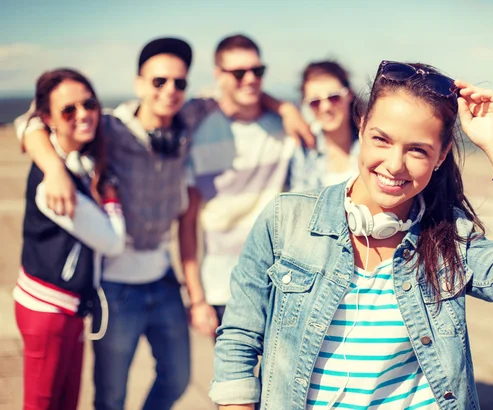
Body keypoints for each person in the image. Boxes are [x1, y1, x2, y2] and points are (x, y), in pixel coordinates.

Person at [208, 60, 493, 410]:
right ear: (361, 127)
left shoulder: (448, 236)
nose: (394, 165)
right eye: (381, 139)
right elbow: (239, 339)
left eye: (417, 150)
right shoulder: (285, 218)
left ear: (441, 156)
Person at [15, 37, 311, 410]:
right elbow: (29, 121)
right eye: (159, 81)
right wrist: (53, 167)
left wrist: (284, 107)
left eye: (179, 82)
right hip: (115, 286)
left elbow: (239, 94)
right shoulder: (110, 128)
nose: (170, 90)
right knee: (110, 396)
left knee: (177, 377)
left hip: (164, 279)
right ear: (139, 83)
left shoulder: (189, 118)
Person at [179, 34, 312, 336]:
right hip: (222, 289)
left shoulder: (285, 125)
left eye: (257, 70)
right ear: (218, 75)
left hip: (282, 283)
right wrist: (197, 299)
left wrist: (286, 109)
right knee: (236, 384)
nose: (250, 79)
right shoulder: (197, 131)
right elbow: (187, 223)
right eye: (238, 73)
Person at [14, 68, 125, 410]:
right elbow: (113, 242)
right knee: (43, 403)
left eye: (89, 104)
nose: (83, 115)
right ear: (49, 119)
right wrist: (110, 195)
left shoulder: (77, 161)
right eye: (68, 110)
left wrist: (57, 165)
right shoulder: (54, 185)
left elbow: (27, 123)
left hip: (69, 307)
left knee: (65, 403)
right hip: (49, 309)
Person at [290, 60, 361, 191]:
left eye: (334, 97)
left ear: (349, 94)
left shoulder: (370, 143)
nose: (325, 107)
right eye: (315, 102)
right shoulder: (303, 151)